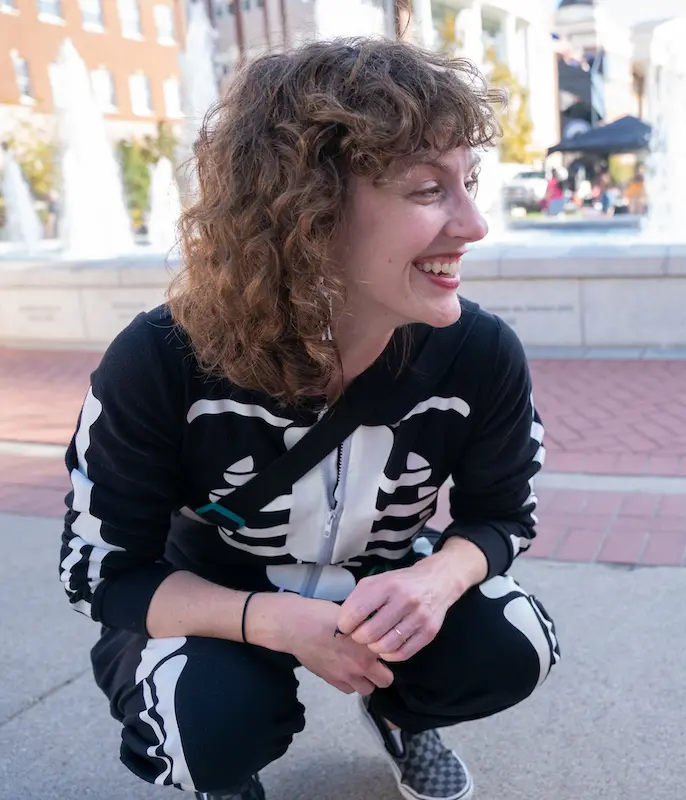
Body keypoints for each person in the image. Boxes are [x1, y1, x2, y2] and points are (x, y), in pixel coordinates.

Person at [58, 38, 559, 800]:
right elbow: (101, 571)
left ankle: (403, 716)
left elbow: (502, 516)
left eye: (469, 182)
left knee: (514, 642)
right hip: (217, 594)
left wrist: (433, 581)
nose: (475, 223)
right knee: (203, 728)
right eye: (430, 190)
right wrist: (271, 620)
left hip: (380, 579)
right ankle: (226, 768)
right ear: (309, 211)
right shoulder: (162, 358)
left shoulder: (478, 352)